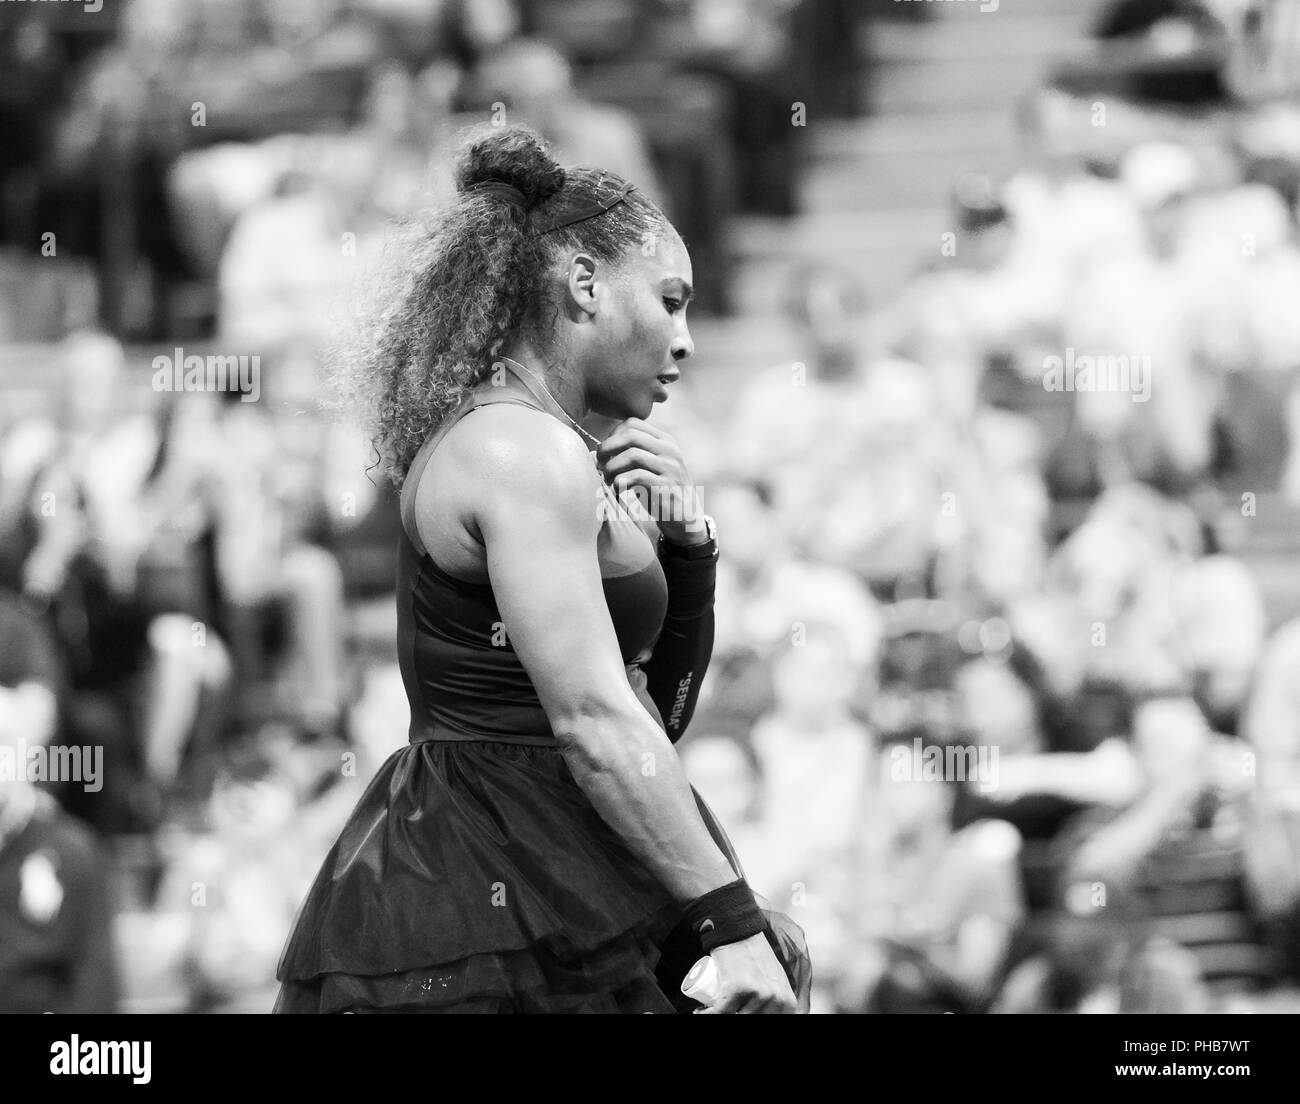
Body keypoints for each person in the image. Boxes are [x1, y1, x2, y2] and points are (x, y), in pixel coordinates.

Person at [274, 125, 808, 1014]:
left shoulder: (556, 447)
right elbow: (595, 720)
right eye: (669, 300)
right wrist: (728, 921)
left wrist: (691, 549)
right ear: (585, 284)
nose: (684, 340)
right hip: (487, 877)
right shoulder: (518, 453)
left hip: (563, 856)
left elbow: (650, 716)